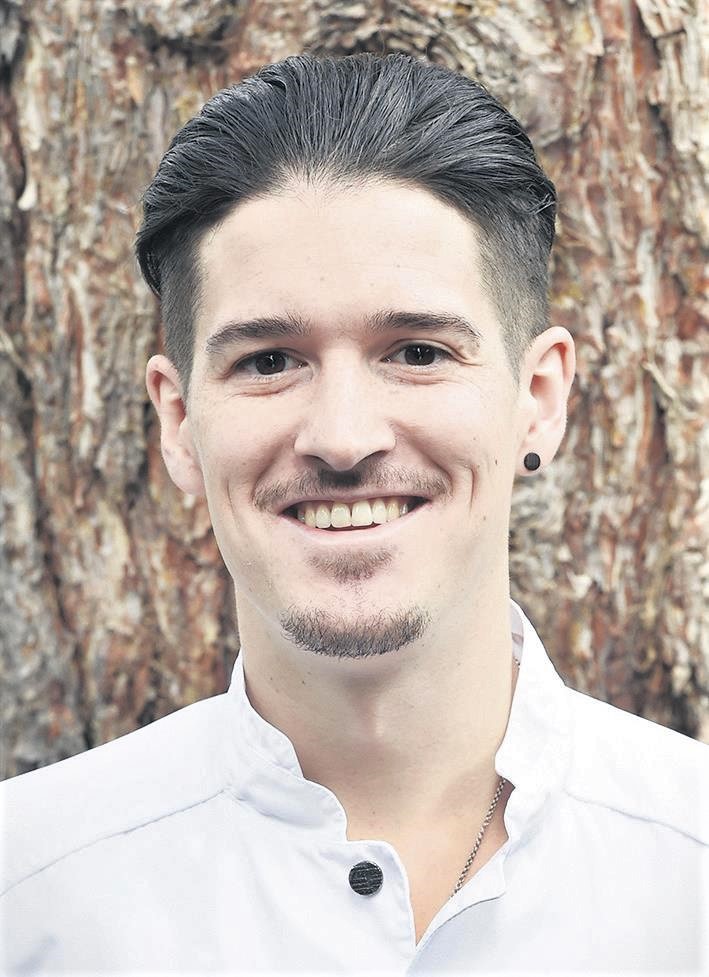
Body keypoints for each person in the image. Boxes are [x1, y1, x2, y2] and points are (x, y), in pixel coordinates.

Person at [1, 52, 707, 976]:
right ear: (178, 422)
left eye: (416, 351)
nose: (341, 437)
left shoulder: (688, 870)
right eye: (268, 361)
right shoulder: (29, 893)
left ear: (537, 398)